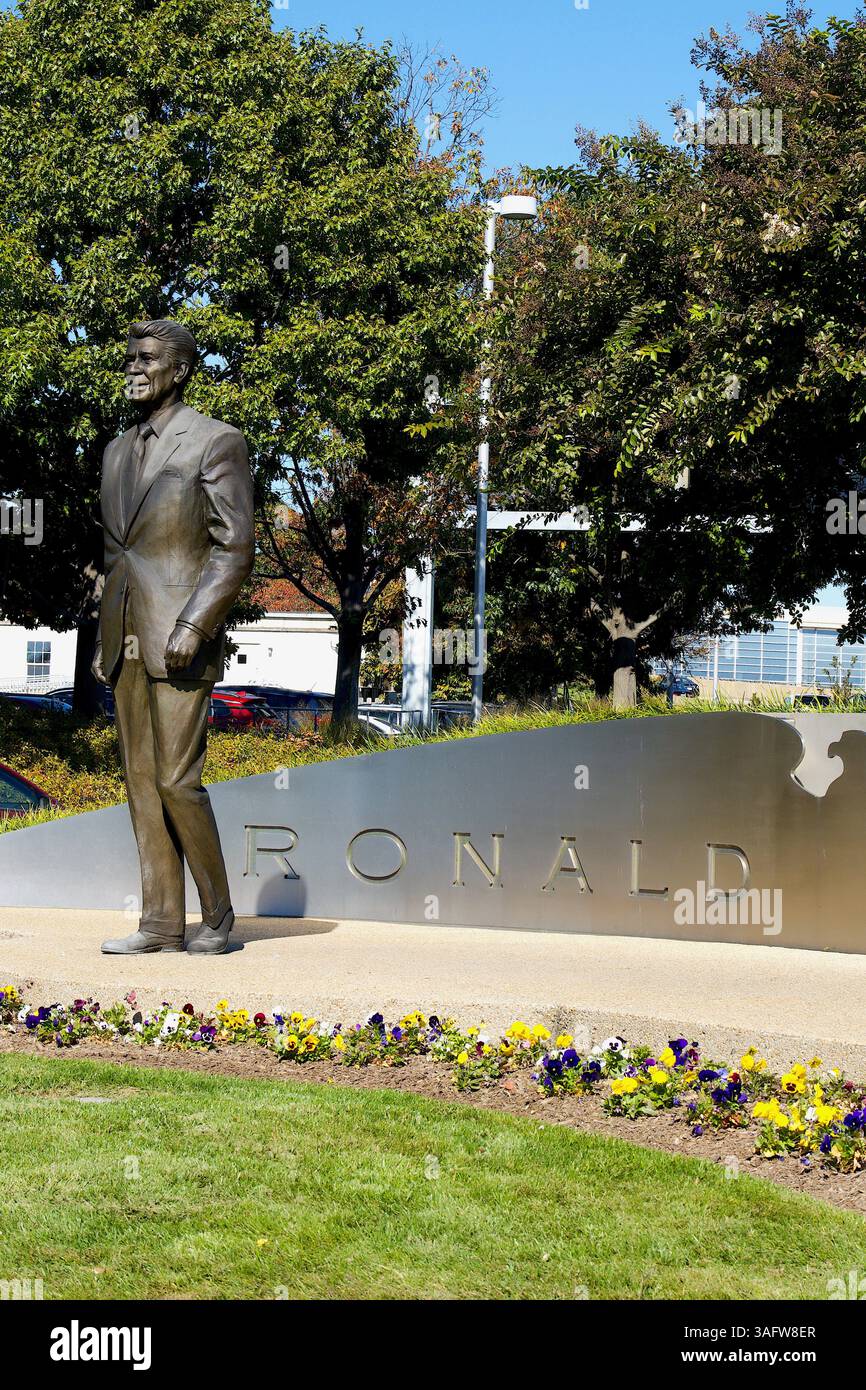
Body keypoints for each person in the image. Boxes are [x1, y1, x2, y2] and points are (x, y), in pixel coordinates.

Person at [93, 319, 255, 955]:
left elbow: (234, 546)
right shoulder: (112, 451)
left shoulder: (215, 442)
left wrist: (194, 622)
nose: (134, 366)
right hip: (125, 634)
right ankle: (160, 922)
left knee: (175, 780)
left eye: (148, 358)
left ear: (181, 370)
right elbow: (120, 549)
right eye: (130, 357)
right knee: (138, 778)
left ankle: (217, 918)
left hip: (181, 634)